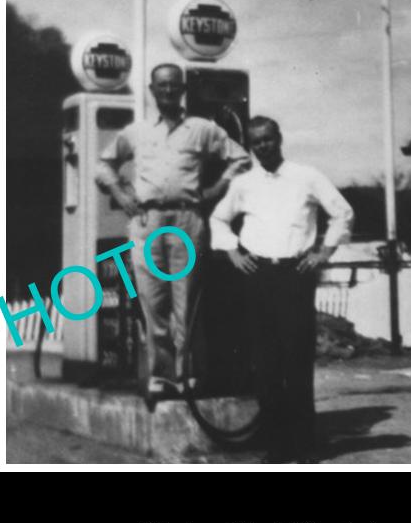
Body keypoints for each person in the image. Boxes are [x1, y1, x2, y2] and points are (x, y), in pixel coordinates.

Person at [95, 63, 250, 406]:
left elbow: (240, 158)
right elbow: (102, 166)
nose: (168, 92)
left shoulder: (201, 129)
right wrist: (122, 195)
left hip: (187, 218)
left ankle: (188, 376)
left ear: (183, 90)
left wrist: (218, 187)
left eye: (174, 86)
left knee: (187, 299)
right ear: (152, 90)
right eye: (161, 86)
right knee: (153, 300)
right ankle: (161, 376)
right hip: (147, 219)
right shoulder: (136, 131)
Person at [210, 115, 354, 462]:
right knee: (266, 362)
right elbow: (218, 218)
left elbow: (343, 213)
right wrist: (233, 253)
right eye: (257, 141)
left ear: (279, 139)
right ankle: (276, 447)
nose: (263, 146)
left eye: (268, 139)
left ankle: (304, 446)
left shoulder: (306, 176)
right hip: (258, 275)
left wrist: (323, 251)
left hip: (295, 275)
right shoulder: (244, 183)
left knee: (296, 360)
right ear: (251, 145)